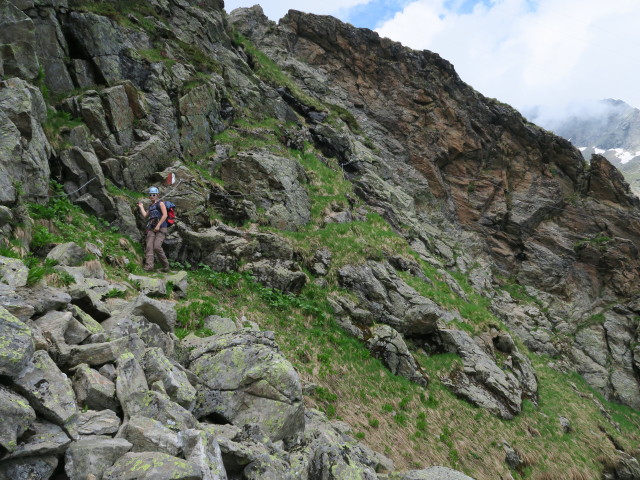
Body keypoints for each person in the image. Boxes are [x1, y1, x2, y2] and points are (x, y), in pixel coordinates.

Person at [137, 187, 170, 272]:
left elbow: (165, 215)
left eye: (153, 194)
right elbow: (145, 215)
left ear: (157, 195)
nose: (152, 196)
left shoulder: (161, 204)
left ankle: (166, 266)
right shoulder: (151, 206)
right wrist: (141, 207)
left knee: (157, 246)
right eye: (150, 195)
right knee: (149, 246)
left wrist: (158, 225)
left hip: (161, 227)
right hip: (151, 228)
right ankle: (149, 266)